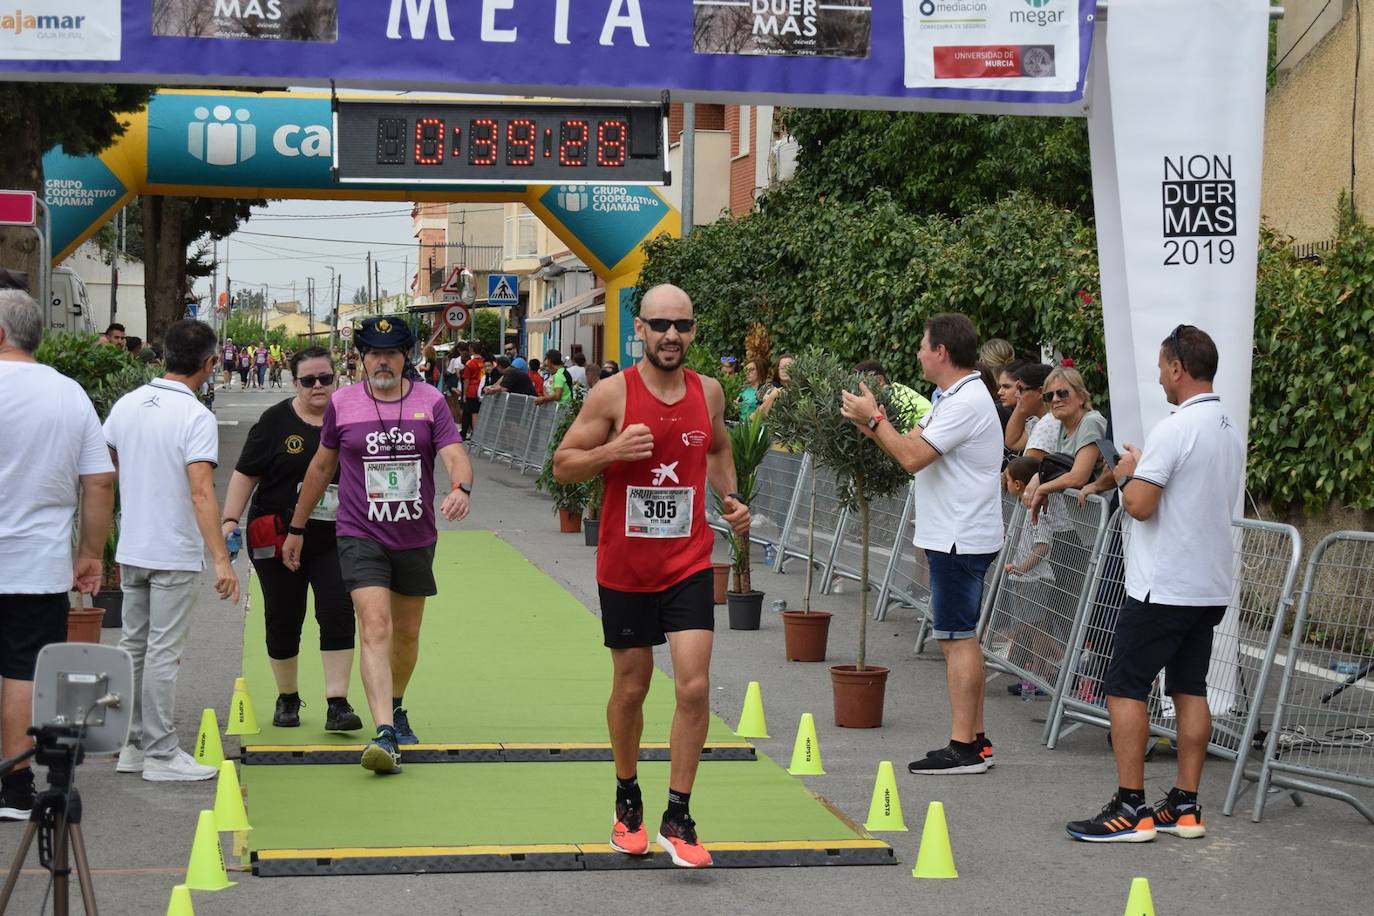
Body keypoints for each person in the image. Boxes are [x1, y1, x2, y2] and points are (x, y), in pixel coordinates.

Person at [553, 283, 750, 868]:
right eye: (660, 324)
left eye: (682, 326)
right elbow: (563, 465)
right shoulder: (613, 394)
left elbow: (715, 449)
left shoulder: (708, 392)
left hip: (688, 561)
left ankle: (679, 815)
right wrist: (612, 453)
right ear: (639, 329)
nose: (672, 335)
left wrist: (731, 498)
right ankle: (627, 797)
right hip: (627, 567)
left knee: (693, 687)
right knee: (633, 687)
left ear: (693, 331)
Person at [1065, 325, 1242, 843]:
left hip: (1162, 583)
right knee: (1190, 688)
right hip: (1207, 583)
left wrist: (1128, 473)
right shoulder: (1228, 424)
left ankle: (1130, 808)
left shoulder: (1175, 427)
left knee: (1125, 686)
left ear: (1177, 368)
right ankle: (1185, 806)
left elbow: (1140, 506)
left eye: (1162, 366)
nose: (1159, 377)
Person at [283, 315, 473, 775]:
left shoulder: (431, 402)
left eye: (390, 353)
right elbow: (321, 467)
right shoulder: (343, 403)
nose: (382, 361)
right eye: (373, 353)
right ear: (361, 358)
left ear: (406, 356)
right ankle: (385, 733)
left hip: (414, 535)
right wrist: (297, 527)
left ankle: (397, 702)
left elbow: (454, 455)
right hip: (359, 533)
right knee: (374, 626)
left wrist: (460, 488)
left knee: (406, 633)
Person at [840, 313, 1003, 775]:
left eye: (922, 345)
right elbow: (909, 443)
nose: (917, 352)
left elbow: (910, 457)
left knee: (957, 639)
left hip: (959, 536)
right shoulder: (952, 397)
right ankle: (975, 740)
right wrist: (872, 422)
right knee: (959, 636)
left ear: (942, 352)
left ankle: (964, 748)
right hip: (956, 533)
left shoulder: (965, 401)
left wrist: (872, 418)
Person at [105, 319, 240, 782]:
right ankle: (161, 753)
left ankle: (133, 746)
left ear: (162, 357)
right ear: (210, 363)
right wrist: (221, 558)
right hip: (173, 549)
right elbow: (202, 492)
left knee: (133, 647)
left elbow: (110, 463)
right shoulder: (196, 416)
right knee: (162, 651)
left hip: (134, 545)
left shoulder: (127, 404)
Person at [0, 290, 116, 820]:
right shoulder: (68, 394)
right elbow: (97, 482)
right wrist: (90, 552)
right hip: (37, 564)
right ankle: (15, 789)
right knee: (25, 669)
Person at [220, 347, 362, 733]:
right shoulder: (274, 422)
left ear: (337, 377)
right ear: (294, 382)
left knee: (337, 610)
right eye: (308, 381)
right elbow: (245, 473)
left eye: (325, 378)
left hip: (336, 534)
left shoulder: (352, 416)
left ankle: (337, 702)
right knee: (283, 614)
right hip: (277, 534)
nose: (318, 386)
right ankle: (287, 697)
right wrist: (230, 519)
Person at [854, 358, 932, 430]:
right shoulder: (894, 392)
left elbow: (900, 436)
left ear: (879, 380)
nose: (860, 392)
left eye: (862, 385)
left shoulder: (897, 400)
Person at [737, 357, 771, 422]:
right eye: (746, 370)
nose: (747, 372)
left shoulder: (767, 389)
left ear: (760, 370)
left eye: (752, 369)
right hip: (740, 426)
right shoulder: (742, 389)